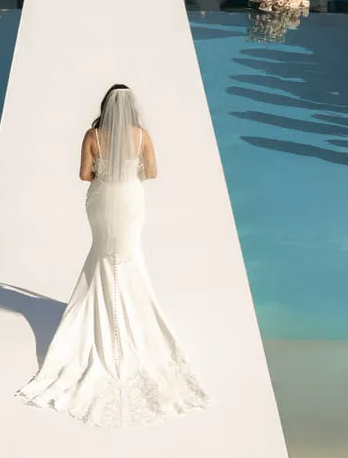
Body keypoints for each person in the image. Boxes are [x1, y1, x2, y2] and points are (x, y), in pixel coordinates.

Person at [16, 85, 208, 426]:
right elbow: (151, 173)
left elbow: (83, 175)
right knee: (129, 254)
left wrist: (104, 172)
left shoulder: (93, 135)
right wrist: (126, 171)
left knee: (103, 253)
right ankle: (131, 312)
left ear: (106, 106)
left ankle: (100, 309)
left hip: (102, 200)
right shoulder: (142, 136)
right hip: (131, 200)